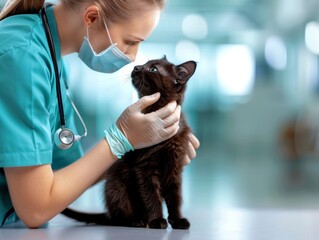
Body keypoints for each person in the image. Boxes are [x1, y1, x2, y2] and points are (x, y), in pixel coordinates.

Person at [0, 0, 200, 229]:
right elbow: (35, 207)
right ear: (92, 18)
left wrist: (141, 149)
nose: (134, 58)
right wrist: (120, 138)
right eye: (131, 41)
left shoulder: (47, 54)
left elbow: (60, 174)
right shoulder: (24, 57)